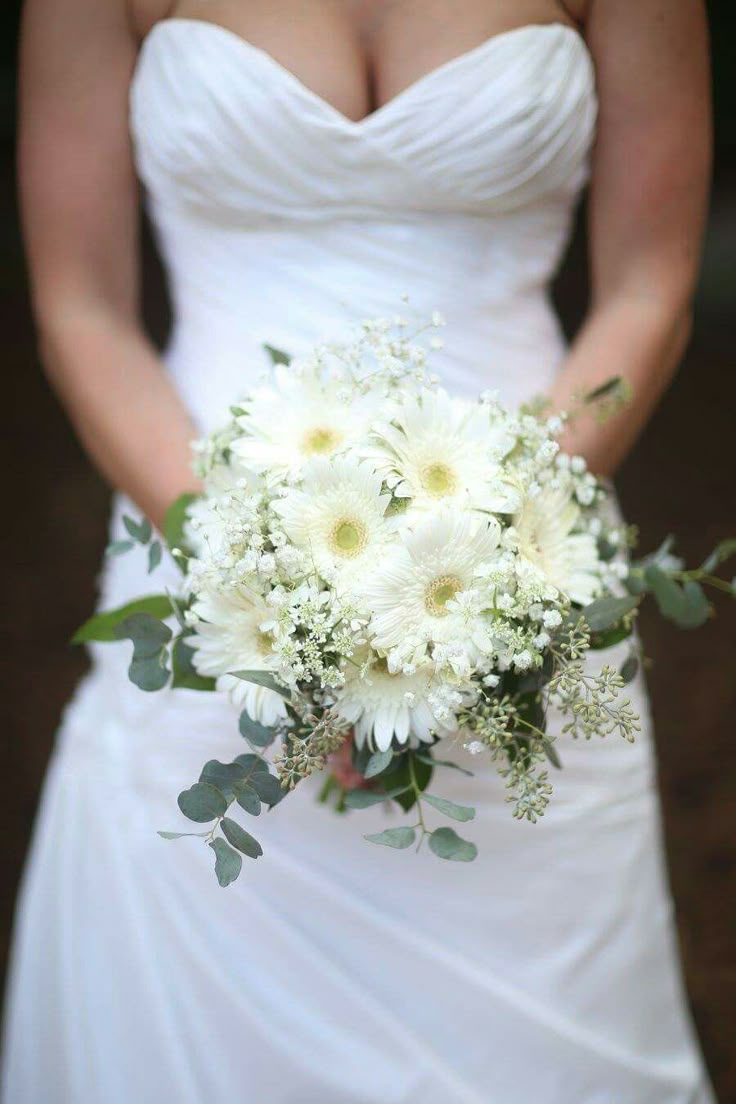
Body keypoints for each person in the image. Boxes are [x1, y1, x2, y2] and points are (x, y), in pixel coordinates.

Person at [3, 1, 715, 1101]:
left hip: (528, 573)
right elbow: (81, 306)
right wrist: (262, 574)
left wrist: (487, 553)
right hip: (202, 581)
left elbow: (647, 283)